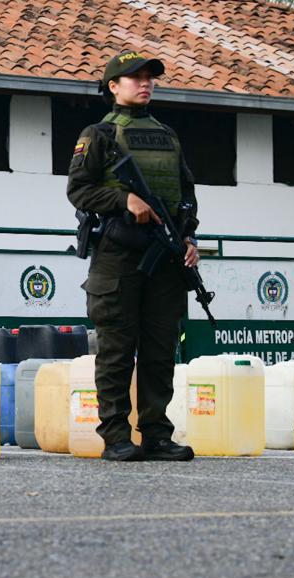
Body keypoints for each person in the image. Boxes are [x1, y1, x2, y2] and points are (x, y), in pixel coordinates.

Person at [67, 49, 199, 463]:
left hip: (165, 257)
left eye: (150, 77)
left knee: (160, 351)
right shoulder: (98, 134)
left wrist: (190, 238)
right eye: (135, 78)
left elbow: (186, 197)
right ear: (113, 86)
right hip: (119, 256)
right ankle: (116, 436)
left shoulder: (168, 135)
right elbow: (79, 190)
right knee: (117, 350)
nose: (145, 83)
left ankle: (157, 434)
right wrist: (124, 198)